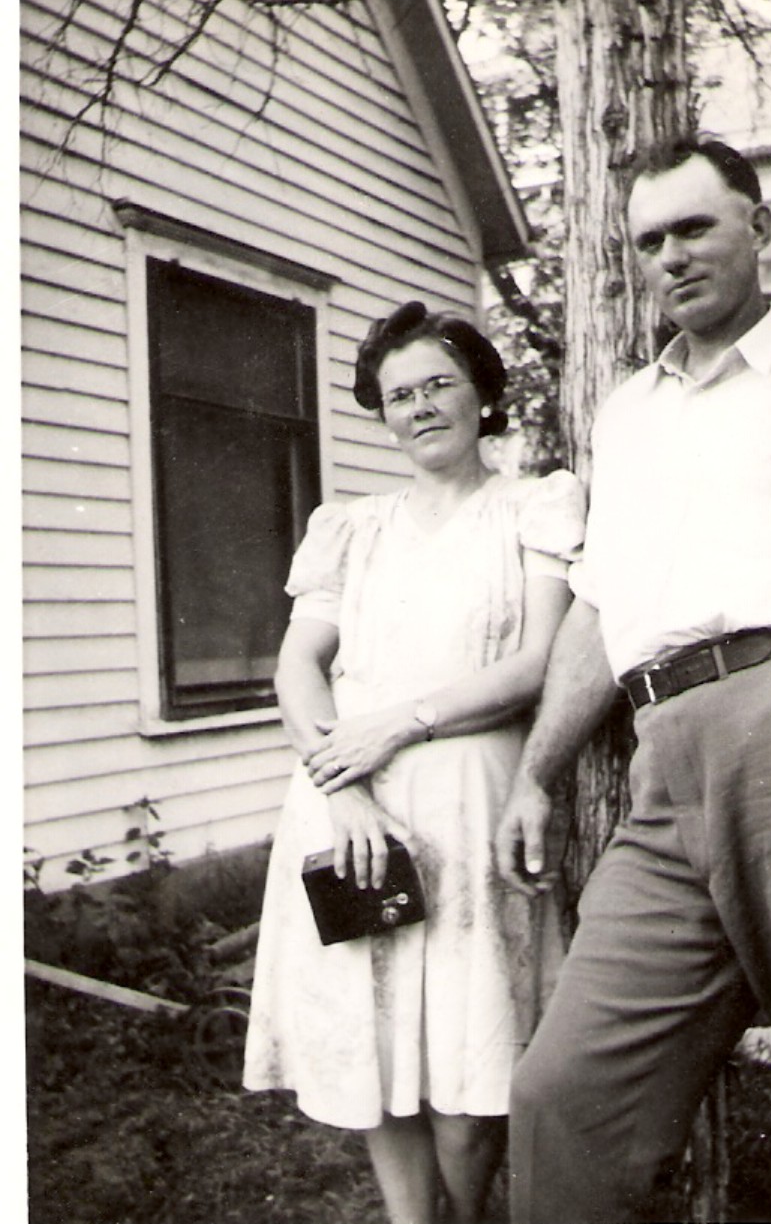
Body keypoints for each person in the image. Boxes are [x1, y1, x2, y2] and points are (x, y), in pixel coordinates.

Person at [495, 138, 771, 1224]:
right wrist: (536, 774)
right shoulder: (628, 414)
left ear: (759, 228)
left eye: (695, 227)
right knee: (562, 1099)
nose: (672, 256)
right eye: (650, 240)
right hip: (666, 764)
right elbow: (600, 608)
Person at [243, 301, 585, 1224]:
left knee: (473, 1064)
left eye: (439, 383)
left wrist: (400, 722)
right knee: (377, 1042)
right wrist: (342, 785)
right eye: (400, 395)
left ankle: (467, 1214)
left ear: (482, 394)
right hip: (348, 804)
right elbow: (297, 666)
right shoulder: (350, 528)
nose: (421, 406)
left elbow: (538, 661)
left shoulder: (534, 505)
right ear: (382, 414)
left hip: (472, 802)